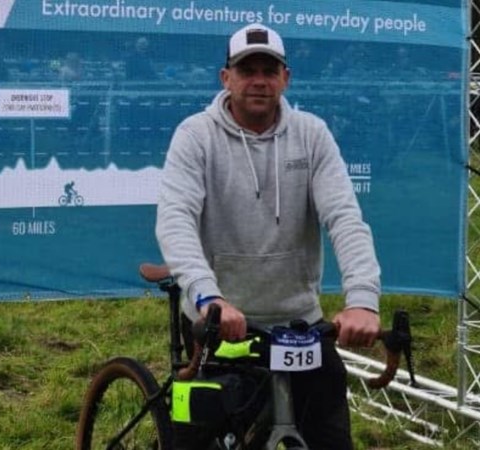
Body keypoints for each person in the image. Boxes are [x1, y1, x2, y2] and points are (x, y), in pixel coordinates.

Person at [155, 23, 381, 450]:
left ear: (285, 78)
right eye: (247, 70)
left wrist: (363, 300)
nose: (258, 80)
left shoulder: (311, 134)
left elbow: (345, 218)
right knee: (201, 439)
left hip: (300, 324)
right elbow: (175, 219)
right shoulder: (195, 135)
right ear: (226, 78)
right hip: (221, 324)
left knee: (330, 437)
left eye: (269, 70)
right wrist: (208, 297)